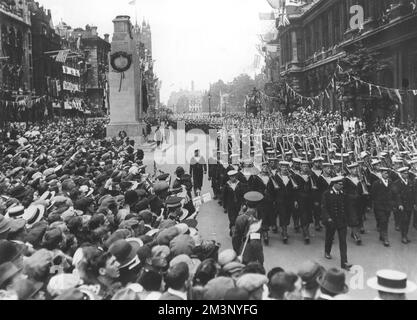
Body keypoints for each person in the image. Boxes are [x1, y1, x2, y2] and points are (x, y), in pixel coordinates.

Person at [321, 176, 352, 271]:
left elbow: (347, 207)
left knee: (343, 241)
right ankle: (327, 251)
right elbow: (324, 207)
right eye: (340, 184)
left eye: (342, 184)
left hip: (342, 221)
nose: (342, 186)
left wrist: (348, 219)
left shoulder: (343, 193)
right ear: (334, 184)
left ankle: (344, 262)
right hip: (331, 221)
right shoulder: (327, 194)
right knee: (329, 237)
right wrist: (328, 218)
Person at [391, 167, 417, 244]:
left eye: (407, 173)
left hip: (409, 204)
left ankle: (405, 235)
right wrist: (399, 204)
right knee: (404, 220)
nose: (406, 175)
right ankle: (404, 236)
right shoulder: (397, 183)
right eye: (405, 173)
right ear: (401, 174)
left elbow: (414, 194)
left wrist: (415, 203)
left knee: (408, 220)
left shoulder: (410, 182)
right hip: (402, 205)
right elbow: (397, 195)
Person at [371, 167, 395, 247]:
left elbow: (393, 193)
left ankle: (382, 234)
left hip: (388, 206)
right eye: (384, 173)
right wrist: (375, 203)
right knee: (383, 220)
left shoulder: (391, 182)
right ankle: (385, 238)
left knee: (386, 220)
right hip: (379, 206)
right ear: (381, 174)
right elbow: (373, 194)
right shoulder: (376, 183)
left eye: (387, 173)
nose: (386, 175)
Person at [222, 171, 247, 237]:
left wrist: (244, 204)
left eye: (234, 176)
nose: (233, 178)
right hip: (230, 205)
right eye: (231, 177)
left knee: (238, 217)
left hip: (238, 204)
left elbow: (243, 195)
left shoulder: (240, 184)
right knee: (232, 218)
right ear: (229, 177)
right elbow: (224, 196)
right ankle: (233, 230)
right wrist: (224, 205)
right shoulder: (227, 185)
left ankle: (237, 230)